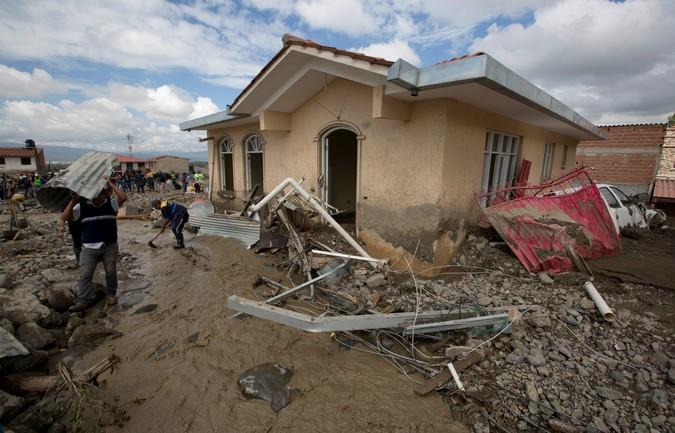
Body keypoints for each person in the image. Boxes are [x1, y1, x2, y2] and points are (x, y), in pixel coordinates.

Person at [62, 177, 127, 310]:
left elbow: (123, 197)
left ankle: (111, 295)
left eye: (98, 195)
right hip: (88, 248)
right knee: (85, 275)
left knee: (110, 272)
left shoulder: (111, 204)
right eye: (93, 196)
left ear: (104, 195)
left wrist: (109, 183)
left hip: (109, 245)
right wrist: (74, 200)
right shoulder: (82, 206)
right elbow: (65, 217)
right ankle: (82, 300)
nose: (95, 198)